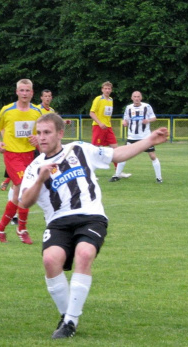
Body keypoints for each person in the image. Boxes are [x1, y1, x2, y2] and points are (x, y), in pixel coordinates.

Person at [18, 113, 169, 339]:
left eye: (47, 132)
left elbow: (116, 154)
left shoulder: (79, 149)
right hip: (58, 221)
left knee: (85, 252)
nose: (42, 137)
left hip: (91, 215)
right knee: (50, 260)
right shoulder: (35, 167)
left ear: (60, 133)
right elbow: (24, 202)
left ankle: (70, 321)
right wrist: (41, 178)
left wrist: (148, 141)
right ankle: (66, 315)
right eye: (39, 133)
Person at [0, 79, 43, 244]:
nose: (25, 93)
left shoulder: (37, 112)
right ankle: (22, 229)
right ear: (17, 92)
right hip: (12, 155)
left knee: (16, 195)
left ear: (32, 93)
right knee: (25, 189)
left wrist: (38, 139)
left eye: (28, 90)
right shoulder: (7, 110)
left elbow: (43, 133)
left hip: (30, 156)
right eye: (22, 90)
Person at [110, 91, 163, 183]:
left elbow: (154, 118)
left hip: (145, 137)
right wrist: (124, 123)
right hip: (132, 136)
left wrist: (148, 120)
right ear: (132, 98)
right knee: (123, 156)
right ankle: (116, 175)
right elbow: (125, 119)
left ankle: (159, 178)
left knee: (152, 156)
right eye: (135, 96)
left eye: (138, 96)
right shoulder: (128, 108)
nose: (137, 98)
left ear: (141, 97)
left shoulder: (147, 106)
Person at [89, 81, 131, 179]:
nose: (107, 90)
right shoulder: (98, 99)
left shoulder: (110, 100)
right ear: (102, 89)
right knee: (95, 150)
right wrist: (100, 123)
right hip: (98, 127)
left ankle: (118, 171)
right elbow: (91, 113)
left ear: (111, 90)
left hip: (108, 128)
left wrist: (108, 124)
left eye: (109, 89)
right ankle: (90, 172)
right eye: (105, 88)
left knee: (115, 149)